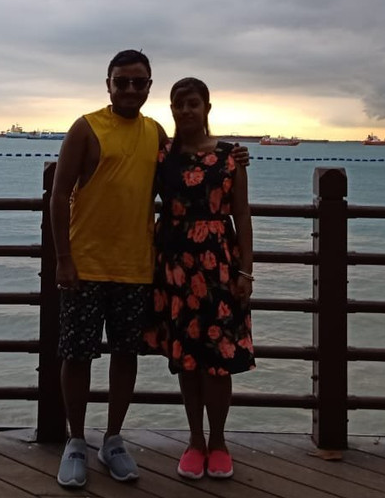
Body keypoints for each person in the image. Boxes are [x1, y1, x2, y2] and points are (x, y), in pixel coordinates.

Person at [50, 49, 166, 488]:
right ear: (108, 85)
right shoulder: (86, 127)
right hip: (85, 264)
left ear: (149, 86)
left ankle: (113, 439)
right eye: (122, 82)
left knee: (125, 354)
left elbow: (188, 169)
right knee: (76, 354)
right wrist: (63, 258)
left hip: (136, 265)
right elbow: (58, 194)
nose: (130, 89)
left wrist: (232, 156)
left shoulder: (156, 132)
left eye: (139, 82)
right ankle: (76, 440)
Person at [146, 76, 255, 480]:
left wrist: (246, 270)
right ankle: (194, 440)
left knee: (219, 359)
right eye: (179, 104)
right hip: (174, 265)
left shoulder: (229, 156)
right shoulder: (162, 156)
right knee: (188, 358)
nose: (186, 110)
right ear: (171, 109)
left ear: (207, 107)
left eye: (193, 103)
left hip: (219, 264)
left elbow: (241, 214)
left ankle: (219, 442)